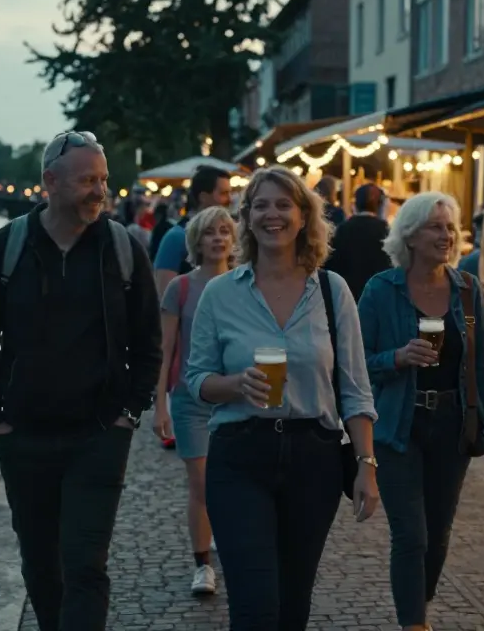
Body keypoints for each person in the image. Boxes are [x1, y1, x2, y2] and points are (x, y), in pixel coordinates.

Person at [0, 130, 162, 631]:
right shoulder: (7, 248)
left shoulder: (122, 249)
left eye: (103, 179)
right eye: (87, 180)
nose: (100, 190)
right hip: (24, 436)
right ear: (50, 182)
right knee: (41, 564)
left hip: (99, 434)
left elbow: (148, 339)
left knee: (85, 564)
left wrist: (129, 412)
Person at [185, 165, 380, 630]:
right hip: (240, 455)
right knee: (255, 607)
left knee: (293, 605)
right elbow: (196, 379)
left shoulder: (332, 292)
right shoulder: (219, 293)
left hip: (313, 457)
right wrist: (234, 385)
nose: (272, 215)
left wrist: (367, 467)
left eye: (283, 205)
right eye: (260, 205)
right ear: (246, 218)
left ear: (303, 216)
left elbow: (355, 389)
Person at [357, 191, 484, 631]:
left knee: (438, 534)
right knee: (411, 534)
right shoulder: (380, 290)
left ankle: (417, 603)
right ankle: (414, 624)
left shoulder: (467, 287)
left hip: (452, 424)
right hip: (399, 424)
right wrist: (397, 358)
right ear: (409, 234)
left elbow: (481, 363)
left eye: (450, 227)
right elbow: (354, 364)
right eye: (435, 227)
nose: (446, 236)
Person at [152, 205, 237, 596]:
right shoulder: (180, 288)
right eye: (209, 233)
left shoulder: (243, 284)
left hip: (235, 397)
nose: (218, 238)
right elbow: (165, 349)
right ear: (196, 242)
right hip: (189, 399)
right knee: (201, 483)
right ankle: (202, 565)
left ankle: (231, 540)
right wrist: (159, 405)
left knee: (235, 481)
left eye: (224, 231)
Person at [154, 165, 233, 293]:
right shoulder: (176, 238)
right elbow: (163, 295)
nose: (230, 199)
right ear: (203, 197)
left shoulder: (229, 236)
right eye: (224, 193)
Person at [325, 182, 393, 301]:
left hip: (347, 294)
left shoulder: (343, 228)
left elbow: (333, 263)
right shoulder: (385, 230)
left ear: (355, 204)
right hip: (378, 295)